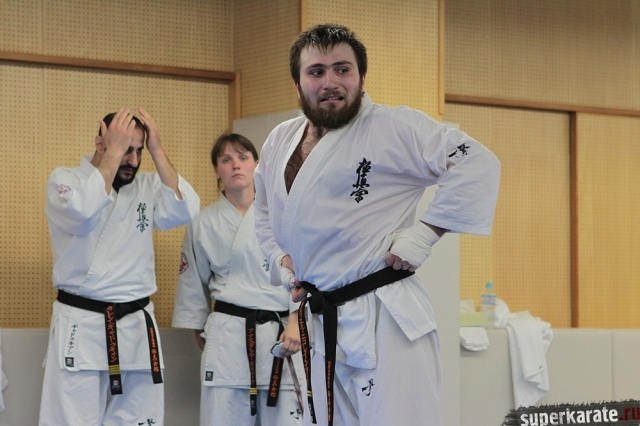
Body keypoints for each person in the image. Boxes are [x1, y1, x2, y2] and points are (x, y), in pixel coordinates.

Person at [254, 24, 501, 426]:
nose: (331, 82)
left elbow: (476, 161)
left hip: (385, 316)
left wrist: (425, 234)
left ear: (362, 77)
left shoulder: (394, 127)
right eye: (316, 72)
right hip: (322, 318)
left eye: (342, 69)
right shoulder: (280, 140)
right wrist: (283, 261)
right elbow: (264, 210)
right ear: (297, 84)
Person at [40, 108, 200, 426]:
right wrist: (113, 154)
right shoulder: (65, 181)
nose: (133, 159)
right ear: (101, 143)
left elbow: (186, 210)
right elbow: (81, 213)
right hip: (82, 323)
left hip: (136, 325)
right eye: (126, 148)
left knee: (139, 419)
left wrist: (157, 149)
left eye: (139, 150)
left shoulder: (148, 186)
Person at [172, 133, 305, 426]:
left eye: (243, 158)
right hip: (228, 336)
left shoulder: (283, 218)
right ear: (216, 171)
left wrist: (297, 320)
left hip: (282, 334)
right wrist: (205, 331)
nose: (235, 165)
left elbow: (304, 276)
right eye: (226, 160)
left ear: (257, 165)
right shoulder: (203, 223)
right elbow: (192, 285)